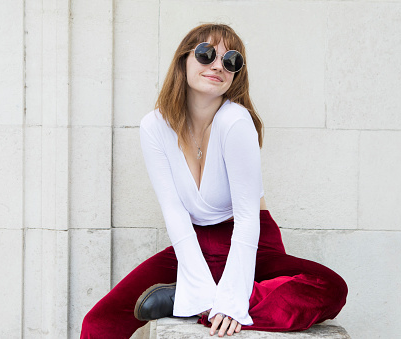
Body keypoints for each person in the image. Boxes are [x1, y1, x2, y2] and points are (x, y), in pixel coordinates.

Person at [80, 23, 347, 339]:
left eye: (231, 61)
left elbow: (247, 219)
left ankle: (197, 303)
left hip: (253, 243)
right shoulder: (153, 126)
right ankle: (193, 295)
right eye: (207, 54)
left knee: (331, 288)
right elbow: (174, 211)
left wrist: (232, 301)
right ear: (184, 60)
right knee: (100, 323)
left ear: (236, 74)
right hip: (193, 242)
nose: (218, 65)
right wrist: (197, 280)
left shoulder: (235, 120)